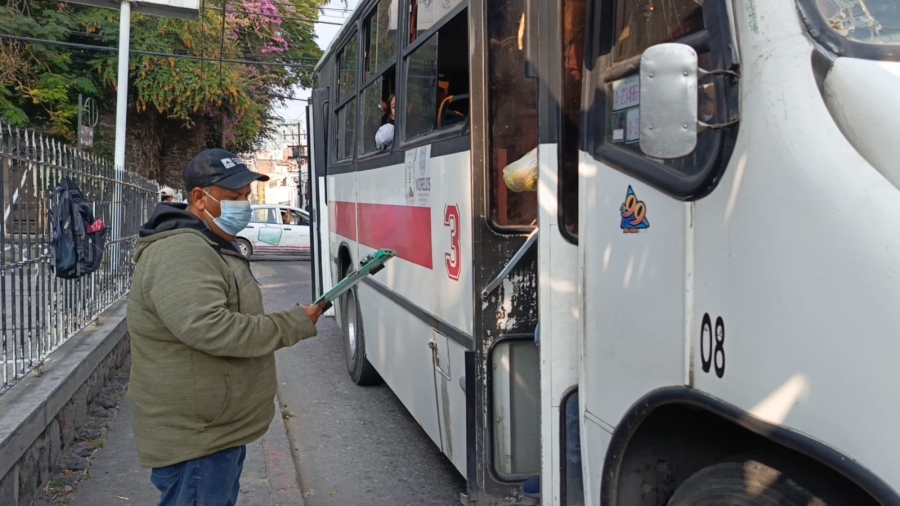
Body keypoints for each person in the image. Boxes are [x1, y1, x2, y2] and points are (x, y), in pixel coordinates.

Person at [126, 148, 326, 506]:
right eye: (234, 198)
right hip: (198, 439)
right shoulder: (182, 251)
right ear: (200, 198)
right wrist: (292, 324)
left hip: (212, 430)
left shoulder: (209, 242)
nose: (244, 205)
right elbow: (211, 328)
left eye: (247, 197)